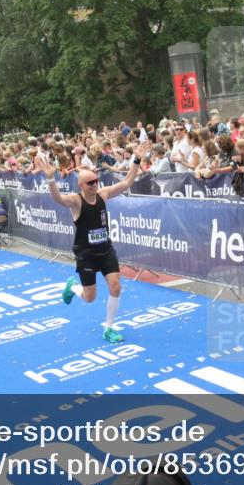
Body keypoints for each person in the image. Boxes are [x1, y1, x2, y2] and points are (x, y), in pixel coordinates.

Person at [36, 142, 150, 344]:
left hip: (105, 250)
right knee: (90, 298)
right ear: (81, 186)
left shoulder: (102, 195)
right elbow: (57, 198)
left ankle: (109, 328)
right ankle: (72, 287)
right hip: (86, 253)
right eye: (90, 183)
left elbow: (127, 183)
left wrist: (137, 159)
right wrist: (51, 177)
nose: (95, 184)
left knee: (115, 287)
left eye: (96, 181)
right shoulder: (76, 200)